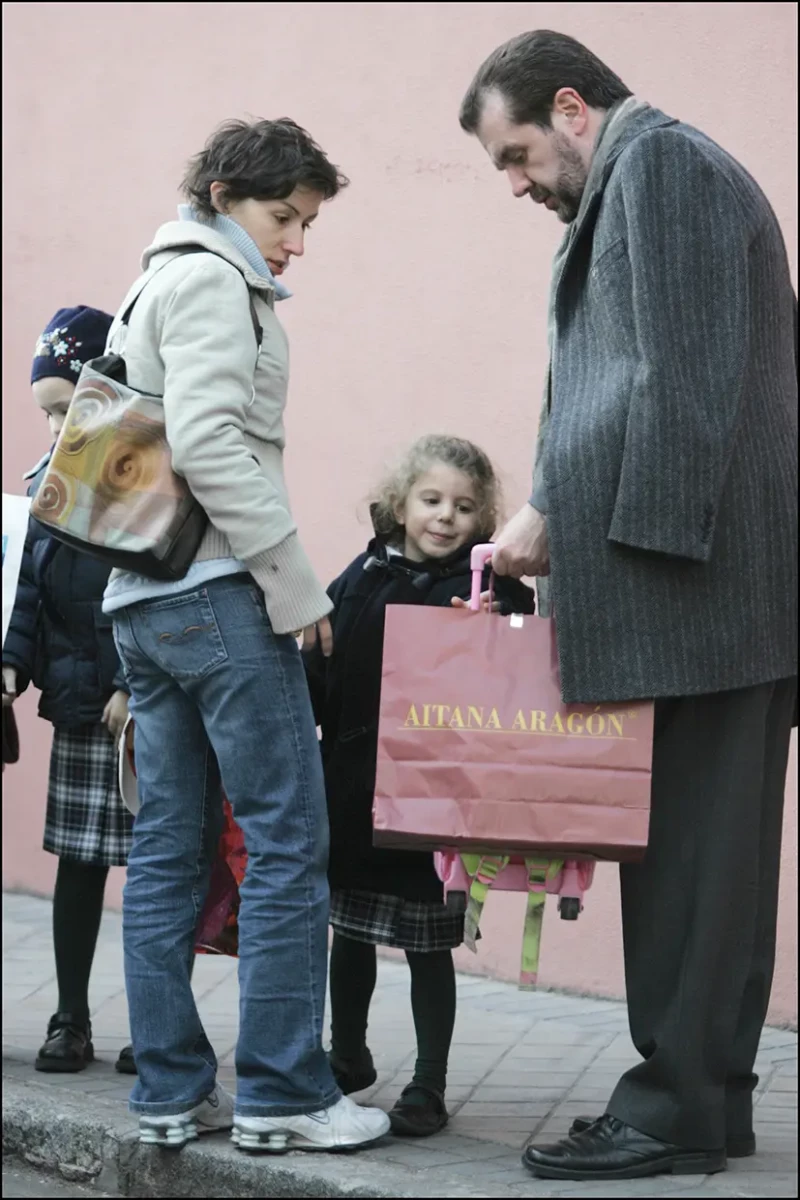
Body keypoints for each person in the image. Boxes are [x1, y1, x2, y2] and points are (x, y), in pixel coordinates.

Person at [459, 29, 798, 1184]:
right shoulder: (652, 175)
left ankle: (669, 1112)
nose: (511, 185)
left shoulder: (659, 166)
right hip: (703, 591)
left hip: (702, 594)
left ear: (568, 107)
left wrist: (556, 512)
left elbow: (677, 377)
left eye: (514, 154)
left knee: (697, 872)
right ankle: (701, 1105)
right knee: (698, 870)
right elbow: (644, 375)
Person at [104, 117, 390, 1152]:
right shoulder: (218, 283)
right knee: (284, 843)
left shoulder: (153, 277)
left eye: (307, 221)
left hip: (141, 599)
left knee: (169, 850)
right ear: (225, 193)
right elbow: (211, 437)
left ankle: (169, 1093)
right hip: (220, 589)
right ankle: (282, 1093)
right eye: (284, 215)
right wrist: (295, 585)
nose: (297, 241)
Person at [303, 435, 535, 1137]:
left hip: (440, 800)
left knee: (430, 943)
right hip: (355, 785)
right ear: (401, 502)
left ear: (483, 516)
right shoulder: (365, 571)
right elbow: (325, 655)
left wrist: (497, 632)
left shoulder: (490, 585)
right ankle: (347, 1056)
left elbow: (520, 674)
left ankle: (428, 1083)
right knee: (350, 932)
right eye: (431, 500)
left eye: (464, 507)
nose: (445, 517)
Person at [2, 307, 137, 1076]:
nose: (54, 427)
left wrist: (134, 682)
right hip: (83, 709)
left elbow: (150, 584)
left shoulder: (138, 483)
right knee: (79, 865)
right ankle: (70, 1018)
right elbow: (27, 588)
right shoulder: (41, 487)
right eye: (47, 412)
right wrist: (10, 662)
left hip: (139, 711)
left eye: (65, 409)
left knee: (158, 872)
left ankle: (157, 1023)